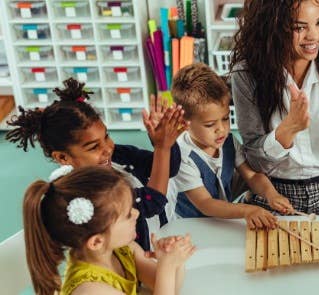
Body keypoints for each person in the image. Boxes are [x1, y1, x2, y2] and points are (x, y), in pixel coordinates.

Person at [6, 78, 187, 250]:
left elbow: (167, 169)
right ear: (62, 158)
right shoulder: (80, 192)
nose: (107, 148)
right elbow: (151, 202)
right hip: (127, 272)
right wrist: (163, 148)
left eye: (106, 136)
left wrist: (162, 142)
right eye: (93, 147)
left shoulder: (117, 156)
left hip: (157, 245)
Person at [229, 0, 319, 214]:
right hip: (274, 191)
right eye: (299, 27)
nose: (313, 35)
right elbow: (257, 163)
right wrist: (288, 130)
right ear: (271, 27)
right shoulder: (246, 76)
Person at [23, 166, 195, 295]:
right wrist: (167, 267)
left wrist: (172, 260)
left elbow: (168, 286)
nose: (136, 213)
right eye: (128, 214)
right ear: (97, 241)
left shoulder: (124, 249)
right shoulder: (90, 290)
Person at [171, 63, 289, 229]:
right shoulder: (181, 155)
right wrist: (247, 211)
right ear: (184, 123)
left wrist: (271, 195)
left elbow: (252, 176)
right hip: (190, 225)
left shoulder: (227, 142)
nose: (221, 129)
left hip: (219, 221)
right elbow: (205, 203)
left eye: (225, 119)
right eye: (210, 124)